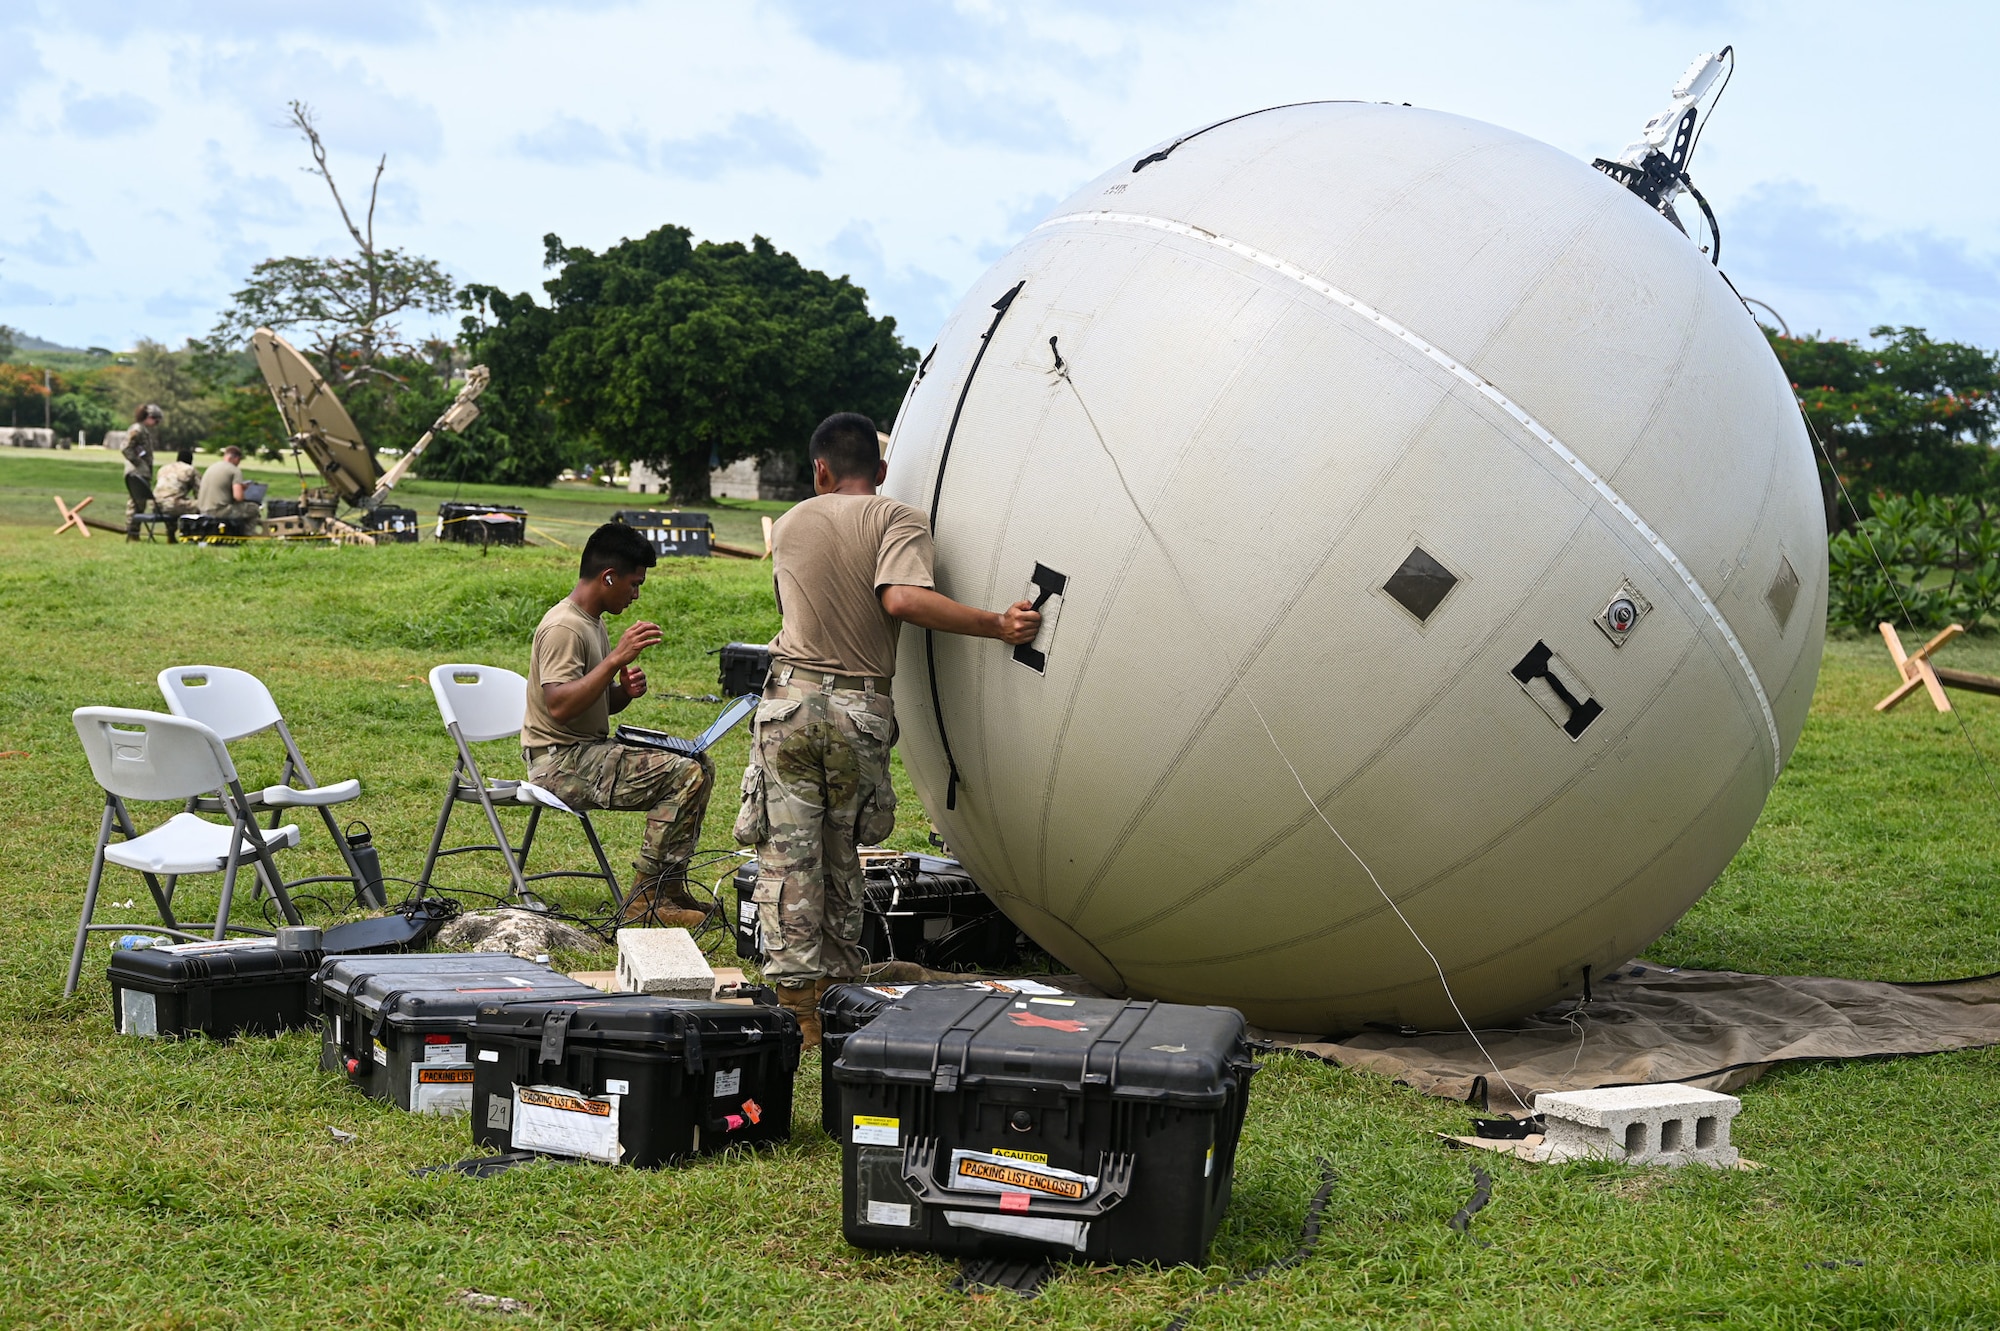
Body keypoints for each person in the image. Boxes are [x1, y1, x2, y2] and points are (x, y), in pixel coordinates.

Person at [735, 412, 1040, 1043]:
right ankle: (840, 992)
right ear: (878, 472)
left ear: (819, 470)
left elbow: (792, 613)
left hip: (787, 704)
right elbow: (900, 599)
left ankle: (797, 1004)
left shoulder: (790, 523)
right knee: (843, 851)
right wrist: (996, 624)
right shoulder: (895, 518)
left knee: (790, 856)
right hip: (857, 712)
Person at [522, 522, 716, 929]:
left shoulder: (592, 621)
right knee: (685, 774)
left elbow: (588, 702)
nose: (636, 594)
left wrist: (623, 693)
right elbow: (559, 706)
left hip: (584, 752)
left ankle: (669, 885)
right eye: (633, 584)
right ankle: (644, 900)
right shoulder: (565, 627)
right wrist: (615, 662)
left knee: (700, 763)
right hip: (558, 765)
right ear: (608, 577)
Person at [122, 404, 161, 540]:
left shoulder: (143, 430)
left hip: (142, 472)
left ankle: (134, 533)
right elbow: (126, 448)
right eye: (156, 420)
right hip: (136, 472)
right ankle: (132, 532)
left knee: (140, 504)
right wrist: (139, 463)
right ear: (149, 417)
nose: (157, 424)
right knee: (135, 503)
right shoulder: (137, 429)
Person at [197, 445, 262, 525]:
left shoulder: (212, 467)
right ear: (237, 458)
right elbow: (238, 497)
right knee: (253, 508)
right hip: (219, 511)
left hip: (203, 510)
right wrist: (243, 492)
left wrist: (240, 487)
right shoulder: (234, 470)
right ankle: (248, 533)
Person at [152, 448, 201, 541]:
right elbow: (200, 492)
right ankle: (193, 535)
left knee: (176, 501)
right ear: (190, 461)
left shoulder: (163, 468)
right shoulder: (190, 469)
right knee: (199, 505)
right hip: (172, 505)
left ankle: (170, 534)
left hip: (156, 505)